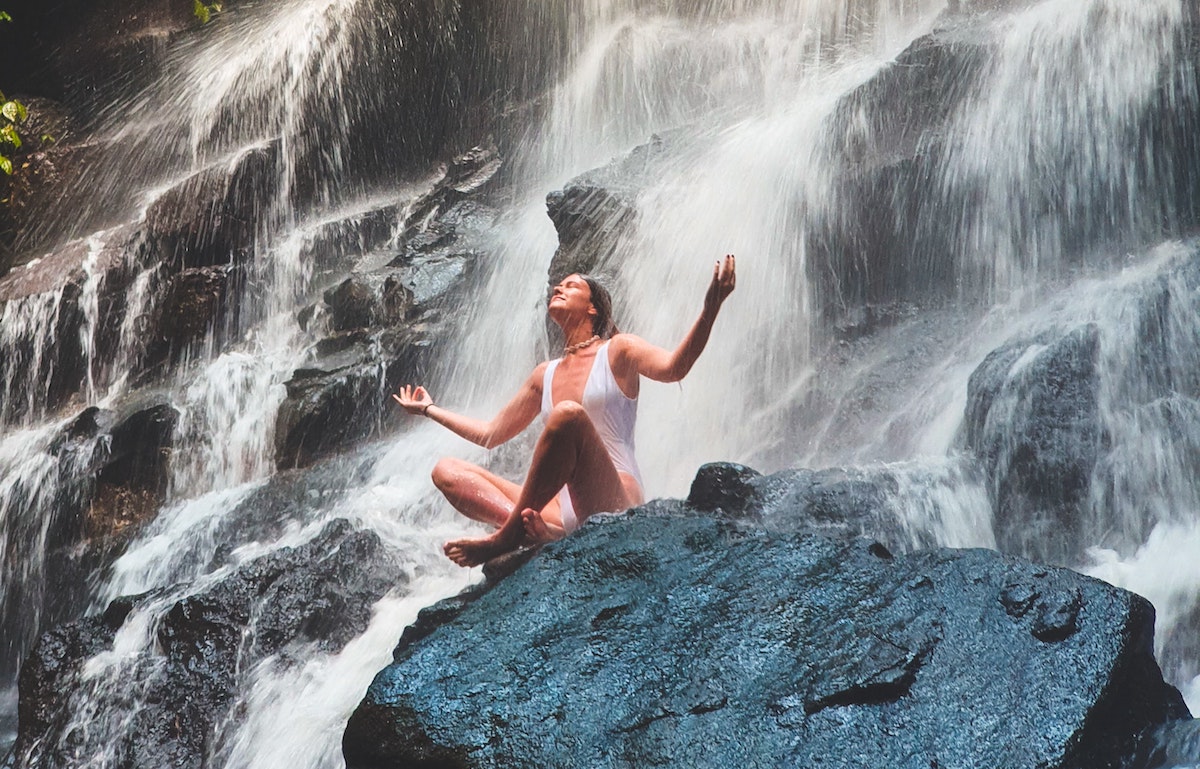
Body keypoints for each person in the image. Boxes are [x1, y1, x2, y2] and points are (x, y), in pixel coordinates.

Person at [392, 255, 736, 567]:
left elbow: (674, 368)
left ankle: (506, 537)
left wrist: (710, 309)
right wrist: (429, 409)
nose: (559, 287)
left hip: (614, 499)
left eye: (571, 285)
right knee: (446, 469)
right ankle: (536, 534)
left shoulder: (618, 350)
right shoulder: (545, 374)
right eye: (559, 285)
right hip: (560, 510)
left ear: (593, 309)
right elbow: (490, 435)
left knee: (568, 416)